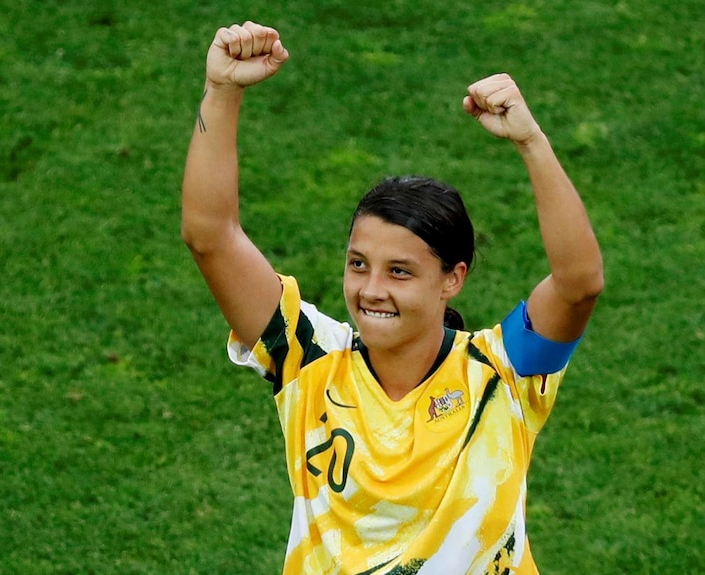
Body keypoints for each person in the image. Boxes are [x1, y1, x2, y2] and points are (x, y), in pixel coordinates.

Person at [181, 21, 603, 575]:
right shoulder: (308, 360)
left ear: (452, 278)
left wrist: (531, 141)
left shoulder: (503, 374)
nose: (370, 290)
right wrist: (222, 89)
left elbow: (579, 283)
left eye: (400, 272)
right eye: (359, 264)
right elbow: (210, 235)